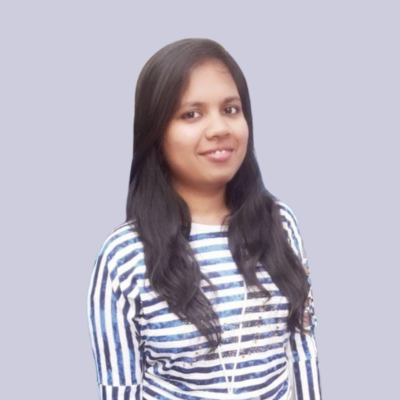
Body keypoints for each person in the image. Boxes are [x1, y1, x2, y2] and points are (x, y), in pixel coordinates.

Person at [87, 38, 322, 400]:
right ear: (155, 134)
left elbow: (303, 345)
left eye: (230, 109)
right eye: (191, 114)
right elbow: (120, 386)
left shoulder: (279, 224)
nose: (219, 129)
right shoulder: (125, 256)